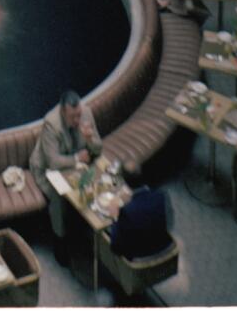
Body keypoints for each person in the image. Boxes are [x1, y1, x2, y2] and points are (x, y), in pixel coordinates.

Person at [28, 89, 101, 244]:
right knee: (59, 196)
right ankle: (60, 241)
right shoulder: (51, 124)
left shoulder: (85, 113)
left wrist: (89, 139)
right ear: (62, 112)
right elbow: (53, 162)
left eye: (78, 115)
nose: (77, 120)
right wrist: (76, 158)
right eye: (72, 117)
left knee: (97, 180)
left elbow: (98, 148)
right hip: (47, 170)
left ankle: (91, 232)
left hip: (73, 166)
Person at [107, 182, 172, 263]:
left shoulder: (126, 212)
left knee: (108, 230)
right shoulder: (163, 194)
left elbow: (115, 248)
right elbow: (171, 224)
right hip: (167, 249)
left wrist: (114, 217)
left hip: (141, 260)